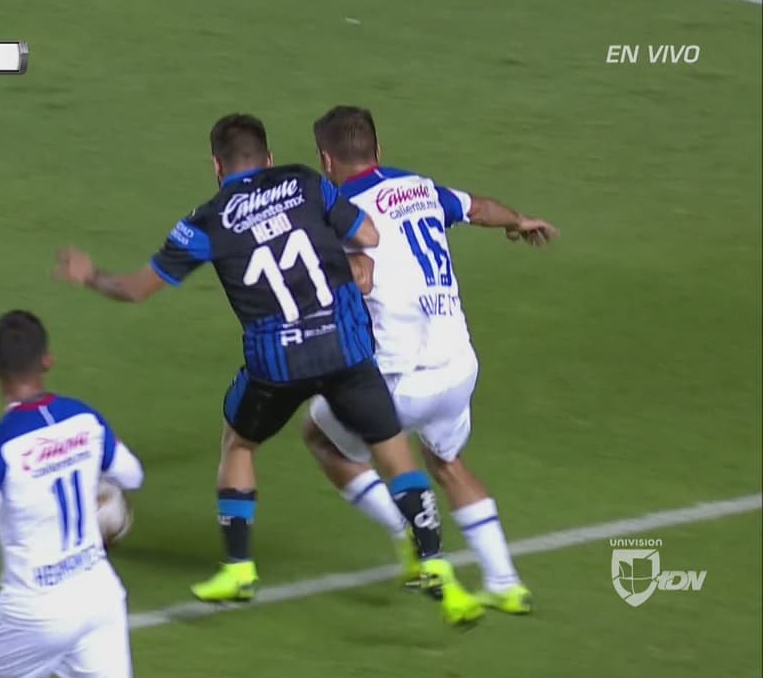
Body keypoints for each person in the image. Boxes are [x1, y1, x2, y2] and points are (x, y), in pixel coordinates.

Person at [56, 114, 482, 625]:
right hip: (343, 348)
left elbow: (135, 289)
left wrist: (90, 276)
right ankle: (434, 561)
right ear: (269, 158)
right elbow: (368, 233)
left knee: (239, 444)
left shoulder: (207, 221)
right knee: (393, 452)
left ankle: (239, 569)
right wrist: (343, 258)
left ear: (217, 166)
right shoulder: (306, 181)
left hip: (276, 363)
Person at [303, 105, 559, 615]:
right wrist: (518, 220)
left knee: (320, 437)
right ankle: (505, 582)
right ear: (377, 149)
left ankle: (407, 532)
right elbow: (478, 208)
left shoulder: (338, 211)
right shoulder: (420, 188)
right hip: (457, 367)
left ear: (326, 160)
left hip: (397, 379)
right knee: (447, 463)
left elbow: (355, 278)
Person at [0, 310, 145, 678]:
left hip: (35, 612)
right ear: (47, 361)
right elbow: (132, 475)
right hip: (100, 597)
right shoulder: (85, 418)